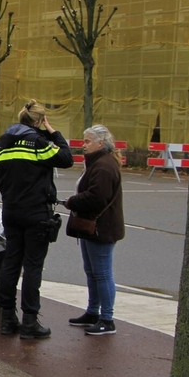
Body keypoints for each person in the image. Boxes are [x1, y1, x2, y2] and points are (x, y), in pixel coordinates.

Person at [0, 99, 74, 339]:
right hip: (36, 211)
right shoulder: (38, 143)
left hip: (11, 210)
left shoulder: (2, 144)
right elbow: (67, 159)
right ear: (38, 121)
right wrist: (53, 131)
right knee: (33, 266)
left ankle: (7, 319)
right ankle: (29, 322)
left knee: (10, 263)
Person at [62, 125, 125, 336]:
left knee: (102, 273)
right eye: (84, 140)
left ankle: (107, 318)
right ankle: (92, 311)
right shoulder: (98, 163)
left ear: (100, 143)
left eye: (87, 141)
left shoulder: (104, 166)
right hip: (93, 227)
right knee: (92, 272)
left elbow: (98, 197)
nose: (83, 145)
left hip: (101, 228)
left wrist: (71, 202)